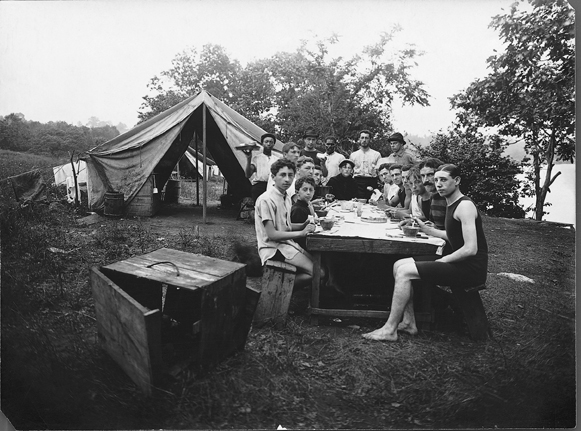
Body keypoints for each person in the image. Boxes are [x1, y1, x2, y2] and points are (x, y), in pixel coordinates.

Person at [363, 164, 488, 341]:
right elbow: (452, 235)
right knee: (399, 264)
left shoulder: (465, 206)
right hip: (458, 261)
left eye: (443, 180)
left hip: (469, 268)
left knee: (405, 272)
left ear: (457, 181)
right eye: (436, 180)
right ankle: (408, 322)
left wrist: (443, 261)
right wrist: (426, 229)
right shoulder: (451, 202)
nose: (438, 184)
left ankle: (389, 329)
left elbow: (470, 248)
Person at [254, 158, 318, 290]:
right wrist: (301, 233)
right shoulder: (266, 199)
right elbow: (272, 234)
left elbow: (285, 226)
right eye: (282, 175)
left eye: (290, 175)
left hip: (287, 244)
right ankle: (275, 288)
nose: (287, 179)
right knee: (318, 272)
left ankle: (281, 286)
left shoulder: (286, 197)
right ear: (273, 177)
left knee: (318, 264)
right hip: (272, 248)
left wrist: (302, 225)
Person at [244, 132, 280, 202]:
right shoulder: (257, 158)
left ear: (273, 144)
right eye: (266, 142)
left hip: (272, 187)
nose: (268, 144)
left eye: (271, 142)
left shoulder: (277, 160)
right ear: (262, 143)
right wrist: (248, 158)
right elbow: (247, 175)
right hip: (259, 187)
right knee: (258, 208)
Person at [349, 130, 381, 200]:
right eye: (362, 138)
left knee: (372, 202)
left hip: (371, 181)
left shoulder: (376, 154)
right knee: (357, 202)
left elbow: (379, 172)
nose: (364, 140)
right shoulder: (353, 155)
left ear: (370, 140)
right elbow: (350, 171)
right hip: (357, 181)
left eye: (366, 138)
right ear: (359, 139)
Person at [291, 176, 318, 249]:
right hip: (301, 246)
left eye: (311, 190)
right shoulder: (298, 210)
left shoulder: (306, 206)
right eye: (305, 190)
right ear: (297, 192)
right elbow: (296, 236)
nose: (308, 193)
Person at [419, 158, 446, 230]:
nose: (425, 180)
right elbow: (434, 225)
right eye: (422, 176)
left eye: (430, 175)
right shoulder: (434, 197)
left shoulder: (446, 198)